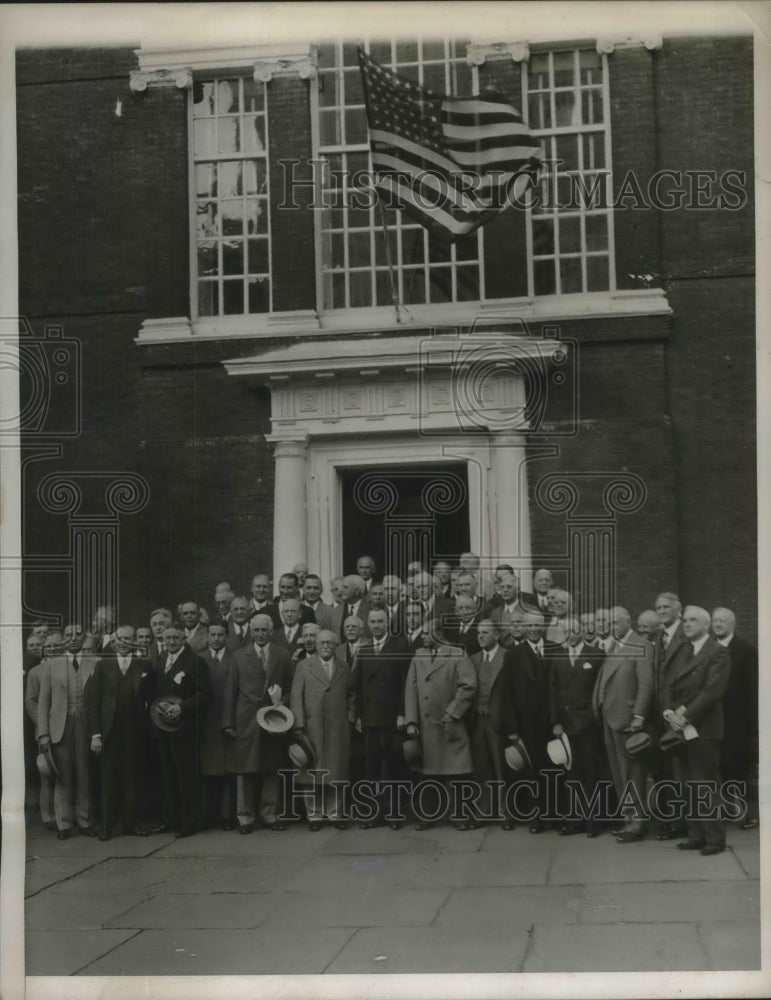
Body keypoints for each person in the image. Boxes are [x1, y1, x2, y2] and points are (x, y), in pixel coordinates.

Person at [663, 606, 730, 855]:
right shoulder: (683, 651)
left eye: (693, 620)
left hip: (703, 728)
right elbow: (667, 684)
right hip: (680, 727)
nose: (687, 624)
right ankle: (696, 835)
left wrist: (684, 715)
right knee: (687, 784)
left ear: (706, 625)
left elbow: (711, 692)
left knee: (705, 785)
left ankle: (715, 840)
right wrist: (669, 713)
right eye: (686, 620)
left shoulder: (718, 652)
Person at [223, 614, 293, 833]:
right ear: (251, 632)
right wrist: (228, 723)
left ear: (271, 631)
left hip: (273, 719)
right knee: (245, 769)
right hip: (247, 719)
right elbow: (230, 690)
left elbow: (291, 687)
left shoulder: (282, 654)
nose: (261, 634)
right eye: (257, 630)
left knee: (272, 767)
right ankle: (245, 817)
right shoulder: (239, 656)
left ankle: (270, 814)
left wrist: (282, 701)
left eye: (265, 630)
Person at [404, 619, 477, 830]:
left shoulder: (458, 654)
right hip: (426, 726)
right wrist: (411, 721)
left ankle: (460, 816)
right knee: (429, 775)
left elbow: (469, 685)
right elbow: (411, 689)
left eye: (427, 633)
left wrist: (453, 712)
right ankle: (428, 816)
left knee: (457, 774)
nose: (423, 637)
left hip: (450, 723)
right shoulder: (418, 656)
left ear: (439, 634)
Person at [87, 625, 155, 840]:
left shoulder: (144, 664)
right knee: (108, 779)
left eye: (129, 638)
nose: (124, 642)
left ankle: (131, 823)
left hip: (135, 730)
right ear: (114, 642)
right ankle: (107, 826)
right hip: (109, 731)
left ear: (135, 640)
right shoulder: (102, 666)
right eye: (120, 639)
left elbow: (152, 698)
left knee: (132, 778)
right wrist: (96, 734)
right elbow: (94, 703)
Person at [592, 607, 653, 843]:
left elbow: (646, 685)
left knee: (632, 774)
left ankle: (637, 823)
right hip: (609, 718)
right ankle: (629, 820)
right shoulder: (615, 645)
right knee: (619, 774)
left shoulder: (640, 644)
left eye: (617, 622)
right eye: (610, 623)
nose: (613, 626)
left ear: (629, 622)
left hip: (627, 719)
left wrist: (638, 716)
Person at [290, 629, 355, 830]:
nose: (326, 646)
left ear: (336, 645)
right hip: (311, 727)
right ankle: (314, 815)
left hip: (337, 727)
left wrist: (350, 718)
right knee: (312, 772)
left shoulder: (344, 667)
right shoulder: (303, 666)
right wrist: (299, 724)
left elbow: (352, 695)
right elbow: (295, 697)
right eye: (322, 643)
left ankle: (335, 813)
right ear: (315, 645)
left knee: (336, 772)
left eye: (329, 643)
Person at [150, 622, 209, 838]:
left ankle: (189, 823)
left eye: (176, 638)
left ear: (184, 639)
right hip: (163, 727)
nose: (172, 642)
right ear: (163, 641)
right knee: (168, 775)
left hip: (185, 728)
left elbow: (204, 694)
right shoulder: (161, 661)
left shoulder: (194, 661)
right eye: (168, 638)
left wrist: (181, 708)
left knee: (186, 777)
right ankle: (170, 820)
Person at [36, 630, 98, 839]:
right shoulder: (52, 665)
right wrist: (43, 733)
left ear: (83, 638)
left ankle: (85, 821)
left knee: (85, 773)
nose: (73, 638)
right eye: (69, 634)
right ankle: (64, 824)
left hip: (87, 726)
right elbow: (43, 703)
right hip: (59, 727)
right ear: (64, 639)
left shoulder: (96, 662)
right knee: (63, 776)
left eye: (77, 634)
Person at [353, 608, 411, 829]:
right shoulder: (364, 648)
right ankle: (373, 814)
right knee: (372, 769)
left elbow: (406, 682)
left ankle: (394, 814)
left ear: (388, 623)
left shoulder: (399, 645)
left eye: (380, 621)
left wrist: (403, 713)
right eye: (373, 622)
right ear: (368, 624)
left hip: (391, 718)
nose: (376, 625)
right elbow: (358, 685)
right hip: (369, 718)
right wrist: (358, 715)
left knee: (392, 768)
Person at [547, 616, 605, 836]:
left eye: (574, 630)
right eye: (566, 631)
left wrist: (593, 716)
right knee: (572, 774)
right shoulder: (557, 656)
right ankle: (574, 820)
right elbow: (552, 691)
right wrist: (556, 722)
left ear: (582, 631)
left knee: (591, 772)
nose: (570, 635)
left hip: (588, 724)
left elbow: (600, 690)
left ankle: (593, 822)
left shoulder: (596, 654)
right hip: (566, 724)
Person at [504, 607, 557, 833]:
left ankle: (556, 814)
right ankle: (538, 817)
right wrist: (513, 728)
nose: (534, 629)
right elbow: (507, 694)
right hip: (527, 724)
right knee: (534, 771)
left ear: (543, 626)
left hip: (553, 721)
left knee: (556, 768)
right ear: (524, 628)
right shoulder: (513, 655)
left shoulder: (556, 649)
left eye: (537, 625)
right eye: (529, 625)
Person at [468, 620, 518, 827]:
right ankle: (483, 811)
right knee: (482, 767)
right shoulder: (473, 659)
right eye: (479, 633)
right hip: (478, 722)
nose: (480, 636)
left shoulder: (508, 657)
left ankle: (505, 812)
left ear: (496, 635)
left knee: (502, 768)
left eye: (485, 633)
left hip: (500, 722)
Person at [712, 607, 758, 828]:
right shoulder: (710, 648)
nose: (718, 624)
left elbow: (752, 690)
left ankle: (750, 815)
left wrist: (752, 726)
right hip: (715, 720)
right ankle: (731, 810)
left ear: (732, 624)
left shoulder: (745, 650)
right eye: (715, 621)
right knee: (722, 766)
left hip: (737, 722)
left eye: (722, 621)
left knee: (740, 769)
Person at [199, 621, 236, 830]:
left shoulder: (236, 657)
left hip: (227, 720)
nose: (216, 638)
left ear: (227, 636)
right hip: (205, 723)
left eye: (220, 635)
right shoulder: (199, 658)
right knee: (207, 772)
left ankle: (226, 816)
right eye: (212, 634)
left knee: (227, 771)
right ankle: (208, 815)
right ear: (206, 636)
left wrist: (231, 720)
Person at [24, 648, 56, 831]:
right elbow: (31, 702)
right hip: (45, 731)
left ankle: (65, 815)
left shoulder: (67, 666)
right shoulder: (35, 672)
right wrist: (45, 725)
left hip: (65, 730)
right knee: (47, 773)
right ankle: (47, 816)